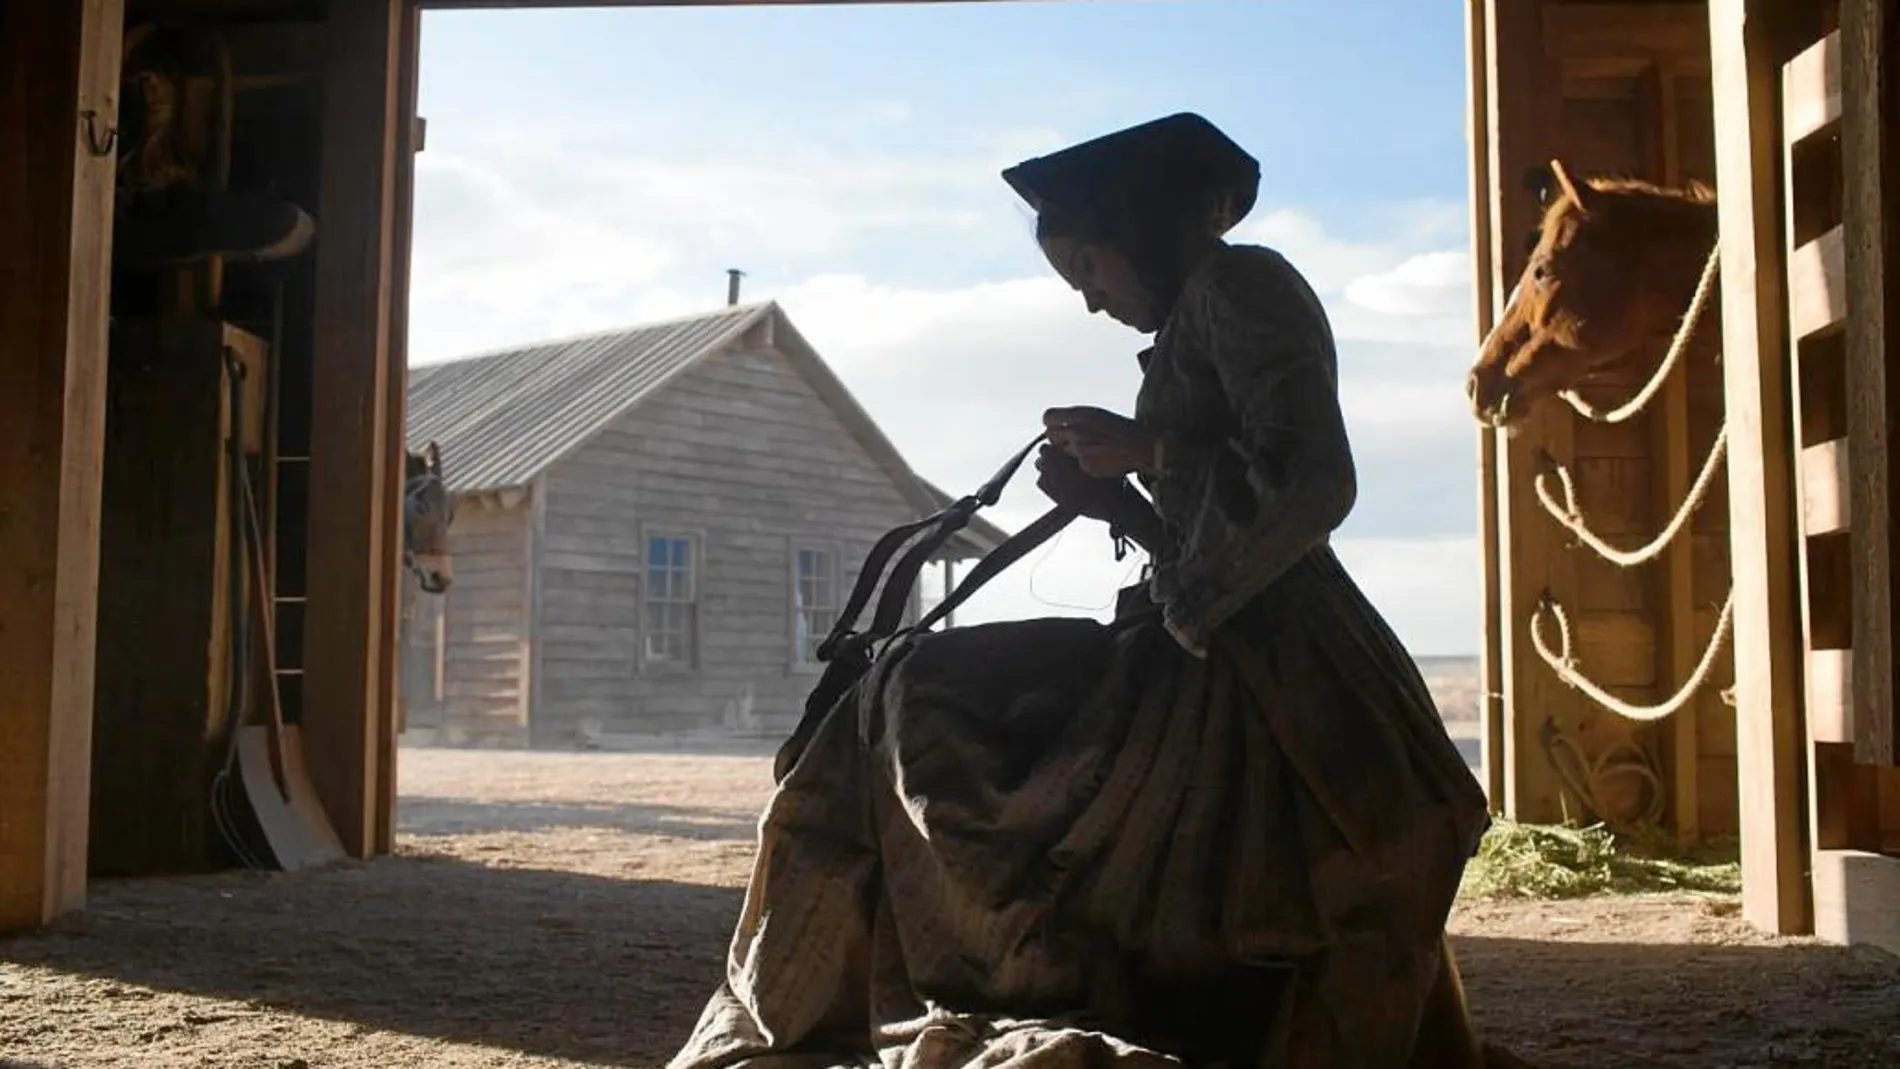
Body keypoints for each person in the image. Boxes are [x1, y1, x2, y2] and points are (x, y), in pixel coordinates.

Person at [667, 113, 1492, 1069]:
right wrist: (1115, 498)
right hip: (1207, 635)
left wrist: (1144, 449)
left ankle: (945, 968)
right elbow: (1206, 525)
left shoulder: (1243, 281)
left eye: (1090, 272)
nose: (1093, 304)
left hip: (1275, 661)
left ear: (1136, 230)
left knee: (946, 715)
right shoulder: (1201, 311)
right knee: (911, 692)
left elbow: (1314, 482)